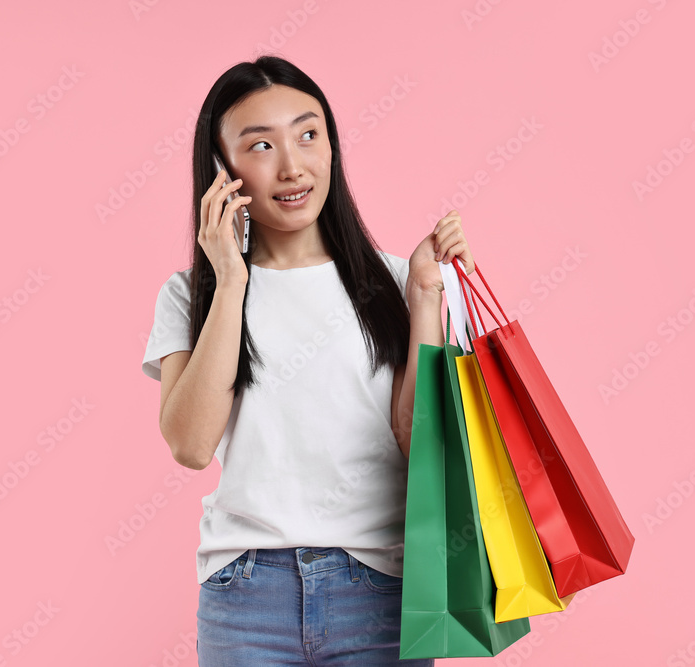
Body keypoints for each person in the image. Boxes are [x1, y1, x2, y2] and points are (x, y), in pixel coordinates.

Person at [141, 56, 475, 665]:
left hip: (380, 590)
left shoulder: (397, 281)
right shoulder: (190, 294)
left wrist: (426, 299)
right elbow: (189, 446)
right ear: (222, 169)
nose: (292, 166)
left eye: (308, 134)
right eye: (261, 144)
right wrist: (231, 278)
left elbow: (415, 440)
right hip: (246, 599)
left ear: (331, 145)